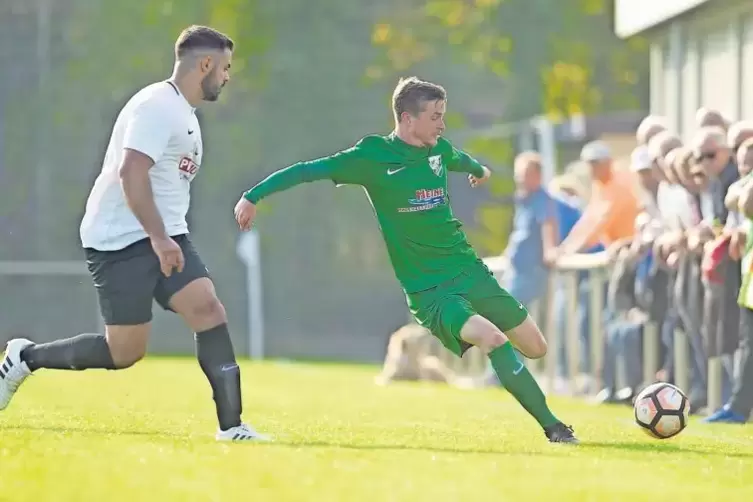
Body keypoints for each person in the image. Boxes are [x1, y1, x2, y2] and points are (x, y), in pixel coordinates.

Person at [234, 77, 579, 443]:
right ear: (407, 119)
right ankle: (554, 427)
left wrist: (478, 170)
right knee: (492, 338)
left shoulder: (438, 150)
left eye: (442, 115)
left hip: (470, 272)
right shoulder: (370, 157)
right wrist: (253, 196)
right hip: (430, 290)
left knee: (536, 348)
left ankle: (543, 411)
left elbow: (459, 159)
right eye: (435, 116)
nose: (441, 124)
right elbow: (306, 170)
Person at [0, 26, 265, 442]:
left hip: (166, 235)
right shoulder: (156, 106)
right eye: (226, 68)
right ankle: (25, 357)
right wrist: (159, 240)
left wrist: (167, 237)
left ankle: (232, 428)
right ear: (206, 64)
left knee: (209, 310)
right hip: (121, 241)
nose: (228, 77)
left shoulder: (184, 114)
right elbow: (131, 173)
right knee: (124, 352)